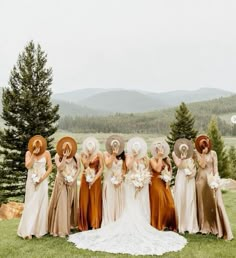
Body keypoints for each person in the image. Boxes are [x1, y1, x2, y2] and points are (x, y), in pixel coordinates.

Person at [68, 137, 187, 256]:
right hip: (131, 184)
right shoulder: (129, 156)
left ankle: (145, 222)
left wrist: (142, 179)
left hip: (142, 185)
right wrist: (134, 159)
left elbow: (148, 170)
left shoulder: (145, 158)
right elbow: (128, 166)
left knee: (142, 205)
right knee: (131, 206)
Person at [195, 135, 233, 240]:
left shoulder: (213, 153)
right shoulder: (197, 153)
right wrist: (202, 154)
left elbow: (215, 168)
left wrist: (216, 180)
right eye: (202, 147)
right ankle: (204, 227)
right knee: (203, 204)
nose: (205, 148)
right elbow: (202, 166)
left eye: (206, 146)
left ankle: (218, 227)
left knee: (217, 203)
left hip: (212, 180)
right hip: (201, 181)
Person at [17, 135, 52, 239]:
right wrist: (33, 155)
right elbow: (28, 166)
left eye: (39, 147)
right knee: (31, 203)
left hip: (42, 180)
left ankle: (39, 230)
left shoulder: (47, 153)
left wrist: (42, 178)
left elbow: (50, 167)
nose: (38, 148)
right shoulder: (28, 153)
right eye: (36, 147)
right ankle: (28, 231)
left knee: (41, 203)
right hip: (31, 181)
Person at [48, 136, 80, 237]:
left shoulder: (76, 156)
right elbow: (60, 168)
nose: (67, 151)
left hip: (72, 184)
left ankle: (69, 225)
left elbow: (79, 169)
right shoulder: (58, 156)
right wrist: (64, 157)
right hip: (61, 183)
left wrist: (73, 179)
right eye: (65, 149)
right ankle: (60, 230)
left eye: (69, 149)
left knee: (69, 205)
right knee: (62, 205)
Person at [172, 138, 199, 234]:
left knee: (190, 199)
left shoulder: (192, 153)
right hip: (181, 178)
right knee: (180, 198)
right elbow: (179, 166)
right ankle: (180, 225)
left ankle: (190, 225)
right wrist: (182, 158)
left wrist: (192, 174)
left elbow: (195, 166)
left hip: (190, 179)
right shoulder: (175, 153)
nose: (184, 146)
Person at [149, 140, 177, 231]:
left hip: (165, 182)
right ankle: (158, 223)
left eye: (161, 149)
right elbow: (157, 169)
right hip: (156, 182)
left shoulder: (167, 159)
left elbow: (170, 170)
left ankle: (168, 223)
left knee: (170, 204)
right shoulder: (152, 159)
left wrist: (168, 178)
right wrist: (160, 157)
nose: (160, 151)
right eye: (158, 149)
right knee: (160, 202)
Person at [78, 137, 104, 231]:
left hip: (96, 179)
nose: (91, 148)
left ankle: (94, 223)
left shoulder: (99, 154)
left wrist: (95, 179)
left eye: (92, 146)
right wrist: (89, 155)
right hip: (85, 178)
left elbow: (101, 168)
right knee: (85, 199)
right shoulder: (83, 154)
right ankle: (85, 223)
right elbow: (85, 165)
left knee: (94, 199)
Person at [102, 135, 126, 226]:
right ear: (110, 145)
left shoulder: (123, 155)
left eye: (117, 145)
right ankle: (110, 221)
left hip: (119, 182)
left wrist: (120, 179)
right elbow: (108, 165)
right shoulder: (106, 154)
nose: (115, 146)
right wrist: (113, 154)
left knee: (119, 201)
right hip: (109, 181)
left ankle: (119, 220)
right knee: (110, 200)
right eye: (113, 145)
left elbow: (124, 169)